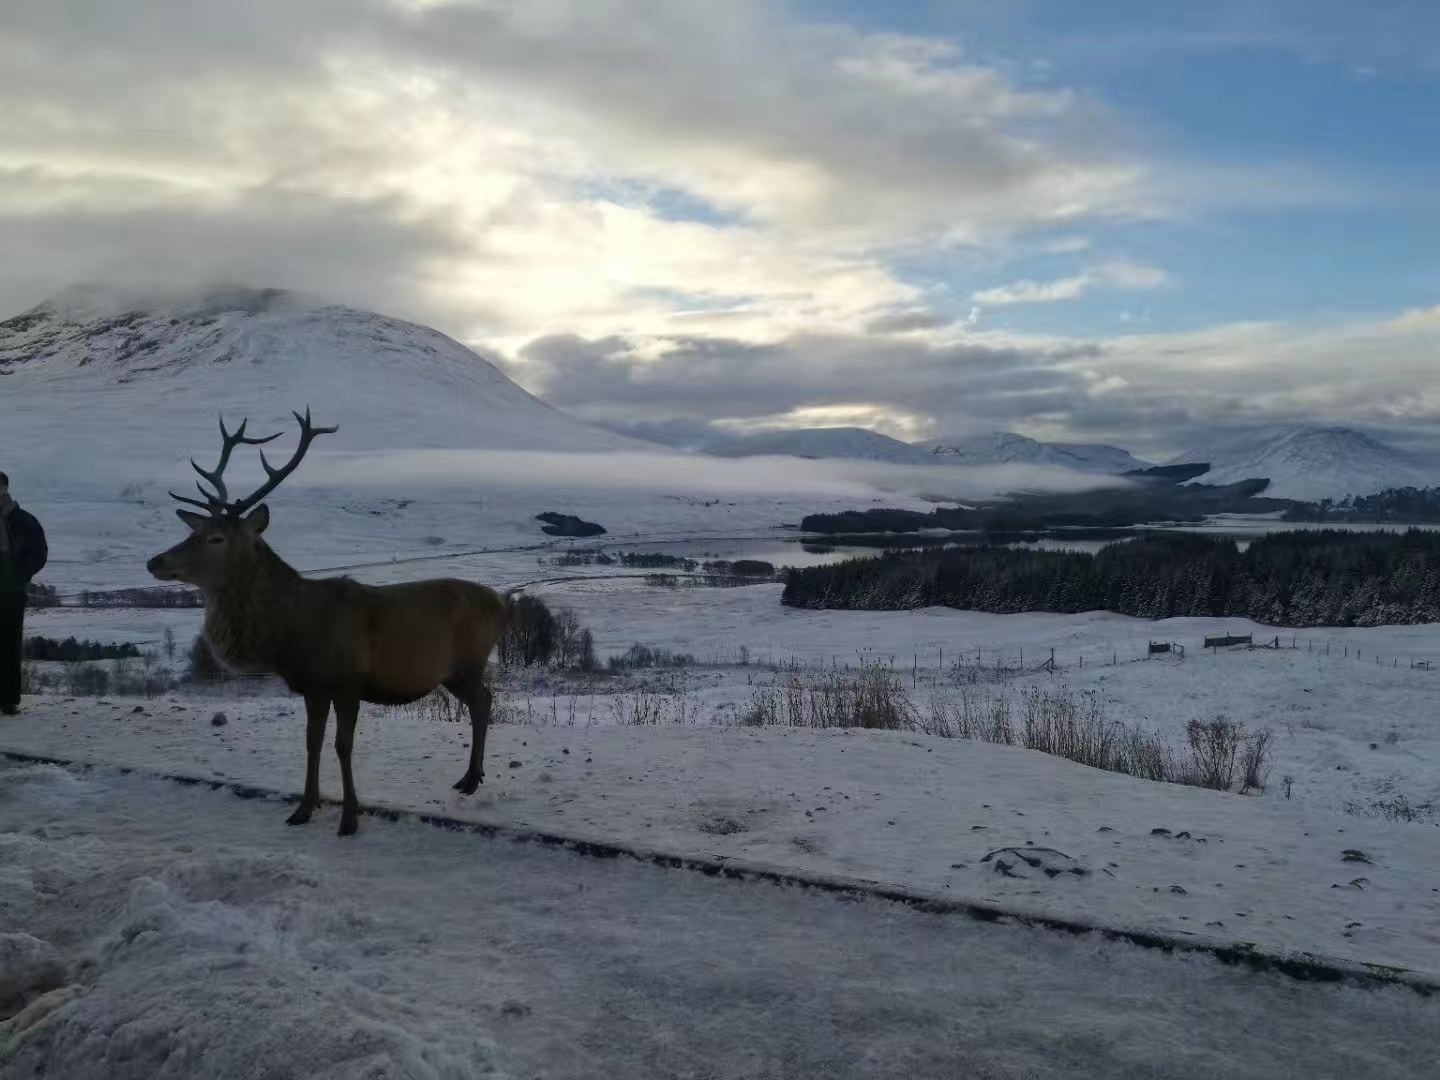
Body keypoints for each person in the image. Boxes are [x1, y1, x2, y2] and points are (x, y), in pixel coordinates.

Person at [0, 472, 48, 715]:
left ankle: (8, 700)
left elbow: (39, 553)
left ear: (5, 488)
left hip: (11, 591)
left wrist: (19, 574)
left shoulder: (24, 520)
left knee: (9, 645)